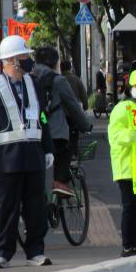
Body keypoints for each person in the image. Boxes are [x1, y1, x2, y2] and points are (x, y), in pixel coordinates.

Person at [0, 35, 55, 269]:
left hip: (33, 157)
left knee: (35, 208)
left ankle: (35, 252)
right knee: (6, 208)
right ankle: (2, 253)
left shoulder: (35, 84)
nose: (28, 60)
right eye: (23, 57)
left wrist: (47, 148)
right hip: (5, 159)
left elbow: (42, 118)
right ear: (9, 61)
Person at [33, 46, 92, 197]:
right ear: (55, 63)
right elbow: (74, 107)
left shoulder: (28, 79)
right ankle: (60, 183)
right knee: (65, 151)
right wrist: (86, 125)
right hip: (56, 133)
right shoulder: (58, 80)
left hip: (33, 133)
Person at [108, 69, 136, 257]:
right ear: (130, 87)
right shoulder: (122, 108)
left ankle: (134, 243)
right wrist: (132, 135)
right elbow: (114, 134)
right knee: (130, 207)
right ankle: (128, 246)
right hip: (127, 167)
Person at [60, 60, 88, 156]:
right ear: (70, 68)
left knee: (63, 134)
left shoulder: (58, 79)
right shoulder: (76, 79)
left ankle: (64, 152)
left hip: (61, 113)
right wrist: (85, 106)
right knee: (74, 133)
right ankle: (74, 152)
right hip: (73, 112)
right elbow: (83, 95)